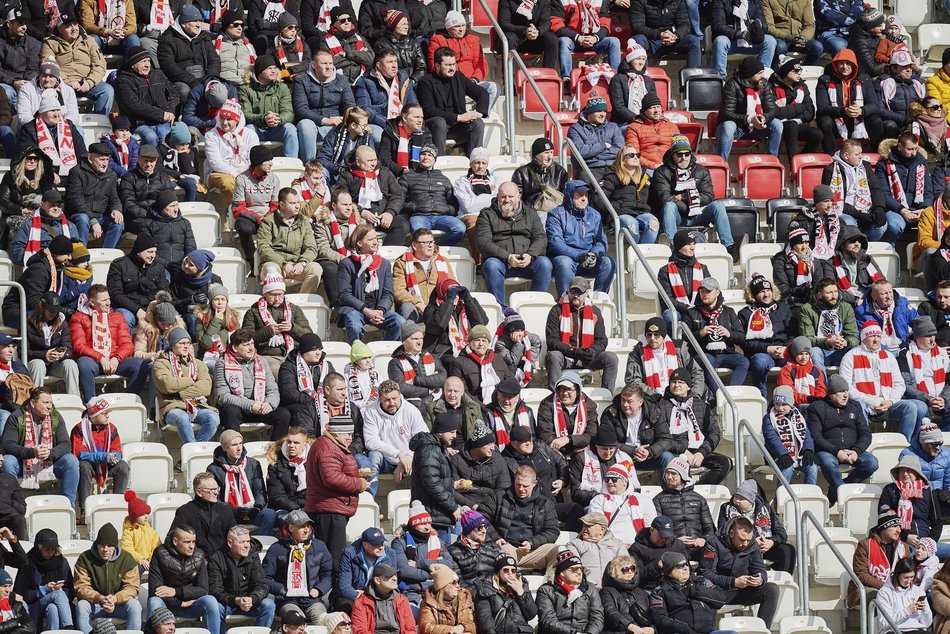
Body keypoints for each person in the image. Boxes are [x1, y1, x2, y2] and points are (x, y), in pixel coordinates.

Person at [69, 285, 151, 403]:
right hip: (94, 361)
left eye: (108, 299)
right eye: (103, 300)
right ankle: (92, 405)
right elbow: (79, 346)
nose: (108, 303)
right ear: (92, 302)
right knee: (83, 364)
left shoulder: (117, 316)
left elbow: (127, 344)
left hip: (114, 360)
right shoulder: (79, 317)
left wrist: (116, 358)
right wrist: (100, 357)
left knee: (141, 366)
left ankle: (126, 402)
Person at [305, 415, 369, 566]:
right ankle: (333, 588)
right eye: (347, 434)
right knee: (334, 558)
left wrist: (355, 474)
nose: (350, 438)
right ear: (337, 433)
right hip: (329, 511)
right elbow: (332, 478)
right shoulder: (328, 448)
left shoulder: (328, 445)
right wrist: (359, 484)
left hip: (329, 508)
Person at [475, 181, 552, 306]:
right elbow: (482, 242)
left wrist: (530, 255)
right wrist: (507, 257)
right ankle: (502, 309)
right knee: (491, 265)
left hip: (527, 262)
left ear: (518, 197)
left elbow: (541, 238)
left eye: (510, 196)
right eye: (503, 196)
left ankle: (533, 305)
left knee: (545, 264)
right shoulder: (487, 214)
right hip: (501, 262)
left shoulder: (531, 213)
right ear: (497, 197)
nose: (506, 200)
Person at [806, 373, 879, 505]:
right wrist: (836, 451)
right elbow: (815, 436)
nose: (846, 395)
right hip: (827, 451)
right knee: (828, 462)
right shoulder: (816, 407)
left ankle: (837, 490)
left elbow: (866, 433)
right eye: (841, 391)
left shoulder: (855, 406)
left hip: (852, 450)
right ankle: (845, 498)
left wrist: (857, 451)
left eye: (846, 391)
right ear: (831, 394)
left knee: (872, 462)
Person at [651, 136, 734, 250]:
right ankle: (672, 247)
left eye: (687, 154)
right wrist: (689, 206)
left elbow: (708, 196)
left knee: (718, 205)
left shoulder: (701, 171)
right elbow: (665, 198)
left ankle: (729, 246)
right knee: (669, 206)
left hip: (698, 214)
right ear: (672, 155)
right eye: (679, 154)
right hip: (677, 216)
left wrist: (684, 197)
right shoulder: (661, 172)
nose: (683, 158)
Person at [1, 386, 78, 506]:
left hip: (50, 461)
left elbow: (66, 445)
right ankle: (12, 505)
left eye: (51, 403)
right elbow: (7, 445)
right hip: (23, 462)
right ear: (32, 403)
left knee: (72, 461)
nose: (49, 406)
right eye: (45, 402)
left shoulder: (55, 417)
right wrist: (32, 452)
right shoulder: (17, 417)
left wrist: (50, 453)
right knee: (8, 461)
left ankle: (68, 506)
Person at [700, 516, 780, 628]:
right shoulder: (713, 543)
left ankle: (762, 630)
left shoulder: (752, 545)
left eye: (748, 539)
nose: (746, 543)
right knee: (707, 594)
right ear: (731, 533)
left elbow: (759, 568)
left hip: (741, 591)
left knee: (772, 589)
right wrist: (733, 582)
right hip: (718, 591)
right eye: (742, 539)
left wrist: (759, 579)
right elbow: (707, 573)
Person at [544, 277, 617, 390]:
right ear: (568, 291)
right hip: (566, 357)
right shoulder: (556, 310)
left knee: (611, 358)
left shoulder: (595, 311)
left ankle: (607, 395)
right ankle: (554, 397)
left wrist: (592, 351)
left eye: (579, 292)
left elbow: (601, 340)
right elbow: (552, 341)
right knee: (553, 356)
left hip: (587, 357)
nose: (576, 295)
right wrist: (574, 351)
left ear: (586, 292)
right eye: (573, 291)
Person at [335, 225, 405, 342]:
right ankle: (358, 357)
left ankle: (386, 354)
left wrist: (380, 311)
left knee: (400, 322)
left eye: (376, 239)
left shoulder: (384, 264)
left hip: (377, 310)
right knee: (355, 326)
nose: (375, 242)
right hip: (354, 309)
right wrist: (367, 311)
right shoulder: (347, 264)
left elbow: (388, 294)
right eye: (370, 239)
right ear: (359, 243)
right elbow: (344, 294)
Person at [546, 181, 616, 297]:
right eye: (579, 195)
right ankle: (566, 302)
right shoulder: (556, 214)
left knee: (608, 262)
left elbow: (601, 241)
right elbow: (556, 244)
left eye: (586, 195)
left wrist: (594, 254)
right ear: (569, 195)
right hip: (567, 259)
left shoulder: (595, 215)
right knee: (564, 262)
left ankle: (597, 302)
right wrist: (579, 256)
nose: (583, 199)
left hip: (588, 260)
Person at [261, 509, 332, 621]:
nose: (306, 530)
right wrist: (282, 590)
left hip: (313, 600)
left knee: (320, 619)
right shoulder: (276, 548)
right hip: (287, 600)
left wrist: (319, 589)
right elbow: (264, 578)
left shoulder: (320, 546)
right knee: (296, 621)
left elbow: (328, 574)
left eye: (308, 526)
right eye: (302, 526)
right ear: (291, 528)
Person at [416, 47, 488, 155]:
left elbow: (482, 93)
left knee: (477, 123)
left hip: (457, 127)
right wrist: (458, 117)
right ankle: (438, 162)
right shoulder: (426, 82)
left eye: (454, 64)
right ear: (437, 66)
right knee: (439, 122)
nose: (452, 68)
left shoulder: (458, 77)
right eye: (448, 65)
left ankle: (476, 161)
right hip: (434, 127)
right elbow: (429, 110)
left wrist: (479, 113)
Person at [147, 525, 217, 634]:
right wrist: (179, 603)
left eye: (193, 541)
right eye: (187, 542)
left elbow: (203, 590)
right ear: (175, 541)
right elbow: (154, 590)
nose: (191, 546)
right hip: (167, 606)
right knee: (154, 601)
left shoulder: (199, 555)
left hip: (191, 604)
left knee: (210, 600)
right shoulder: (160, 553)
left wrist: (176, 591)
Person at [207, 429, 278, 536]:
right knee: (215, 517)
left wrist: (257, 507)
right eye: (234, 445)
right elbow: (214, 499)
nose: (239, 448)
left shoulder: (253, 464)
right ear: (225, 447)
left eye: (240, 443)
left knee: (270, 514)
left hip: (252, 511)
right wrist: (234, 510)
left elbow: (260, 491)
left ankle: (260, 544)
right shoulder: (213, 469)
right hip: (229, 513)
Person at [39, 13, 112, 117]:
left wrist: (89, 82)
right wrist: (67, 81)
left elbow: (100, 65)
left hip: (86, 83)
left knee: (107, 90)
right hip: (61, 85)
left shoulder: (89, 41)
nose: (73, 28)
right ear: (60, 29)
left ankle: (100, 122)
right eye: (68, 26)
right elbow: (47, 65)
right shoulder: (50, 43)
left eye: (75, 24)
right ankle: (61, 125)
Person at [718, 479, 796, 574]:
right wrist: (751, 542)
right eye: (735, 497)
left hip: (763, 547)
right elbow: (723, 533)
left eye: (741, 498)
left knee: (788, 550)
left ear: (751, 500)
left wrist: (771, 542)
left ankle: (783, 581)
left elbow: (781, 532)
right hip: (740, 548)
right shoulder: (726, 509)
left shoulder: (765, 508)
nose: (737, 500)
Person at [73, 525, 142, 633]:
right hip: (95, 605)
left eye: (110, 546)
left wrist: (115, 599)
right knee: (82, 606)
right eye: (102, 545)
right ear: (97, 545)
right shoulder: (85, 558)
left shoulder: (127, 559)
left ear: (115, 546)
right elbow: (81, 586)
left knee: (135, 605)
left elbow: (132, 587)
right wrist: (99, 598)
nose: (105, 549)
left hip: (119, 605)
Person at [338, 145, 411, 246]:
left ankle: (385, 255)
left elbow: (398, 195)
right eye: (369, 161)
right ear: (358, 161)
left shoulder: (385, 172)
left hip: (383, 215)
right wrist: (360, 211)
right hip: (361, 217)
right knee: (358, 227)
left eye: (375, 160)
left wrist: (390, 212)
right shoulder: (347, 176)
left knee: (402, 224)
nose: (373, 164)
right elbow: (340, 198)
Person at [70, 396, 129, 518]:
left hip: (107, 464)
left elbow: (117, 449)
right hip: (89, 464)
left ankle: (119, 504)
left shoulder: (111, 428)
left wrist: (114, 456)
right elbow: (80, 453)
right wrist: (104, 457)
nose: (108, 416)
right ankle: (85, 509)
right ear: (93, 414)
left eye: (108, 413)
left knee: (123, 466)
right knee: (83, 467)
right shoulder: (79, 429)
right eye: (104, 413)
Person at [817, 49, 884, 154]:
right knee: (825, 121)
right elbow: (822, 107)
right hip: (837, 116)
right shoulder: (825, 80)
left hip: (858, 116)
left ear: (854, 65)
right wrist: (843, 111)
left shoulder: (864, 79)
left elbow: (874, 105)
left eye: (848, 63)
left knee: (876, 120)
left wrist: (861, 111)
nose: (844, 66)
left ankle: (876, 153)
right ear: (835, 65)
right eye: (841, 63)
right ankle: (831, 156)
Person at [208, 526, 275, 631]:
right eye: (242, 542)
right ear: (230, 543)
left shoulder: (253, 556)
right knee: (215, 607)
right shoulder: (216, 558)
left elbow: (262, 585)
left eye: (248, 541)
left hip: (249, 603)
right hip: (227, 603)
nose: (247, 546)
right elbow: (215, 590)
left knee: (268, 605)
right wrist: (235, 600)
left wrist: (252, 598)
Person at [391, 502, 458, 607]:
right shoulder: (400, 542)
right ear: (413, 525)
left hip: (437, 590)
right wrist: (436, 571)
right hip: (412, 592)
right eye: (423, 524)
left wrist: (419, 564)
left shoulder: (436, 541)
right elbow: (403, 570)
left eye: (429, 523)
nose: (427, 527)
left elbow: (449, 563)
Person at [685, 277, 749, 386]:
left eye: (708, 291)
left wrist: (729, 334)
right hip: (704, 353)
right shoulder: (691, 312)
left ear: (717, 292)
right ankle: (719, 394)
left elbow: (742, 338)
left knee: (743, 362)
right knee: (707, 362)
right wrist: (700, 333)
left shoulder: (728, 311)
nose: (705, 294)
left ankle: (731, 392)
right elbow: (683, 337)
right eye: (702, 291)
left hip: (726, 353)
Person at [649, 551, 732, 634]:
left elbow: (721, 600)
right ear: (669, 571)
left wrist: (695, 591)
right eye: (679, 566)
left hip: (708, 631)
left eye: (686, 564)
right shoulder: (660, 591)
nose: (685, 568)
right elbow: (659, 618)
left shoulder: (702, 582)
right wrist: (682, 628)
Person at [739, 273, 795, 395]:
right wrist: (767, 348)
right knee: (760, 362)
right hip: (762, 353)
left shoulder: (783, 308)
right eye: (761, 292)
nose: (766, 295)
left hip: (783, 351)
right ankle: (761, 394)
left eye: (768, 290)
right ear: (753, 294)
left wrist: (786, 348)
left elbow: (792, 334)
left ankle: (790, 395)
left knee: (798, 360)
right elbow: (745, 343)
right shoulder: (745, 313)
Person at [398, 144, 465, 246]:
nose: (426, 157)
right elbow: (399, 199)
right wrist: (412, 207)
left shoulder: (443, 178)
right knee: (419, 232)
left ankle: (437, 250)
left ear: (435, 159)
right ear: (419, 157)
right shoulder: (408, 177)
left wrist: (448, 209)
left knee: (460, 228)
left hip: (442, 216)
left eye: (430, 155)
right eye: (423, 154)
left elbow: (453, 201)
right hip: (419, 216)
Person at [293, 49, 356, 158]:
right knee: (305, 125)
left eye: (330, 63)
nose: (328, 67)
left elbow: (349, 105)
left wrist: (344, 119)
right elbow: (301, 109)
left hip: (336, 124)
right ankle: (309, 165)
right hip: (314, 125)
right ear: (314, 65)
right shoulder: (301, 81)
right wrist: (325, 120)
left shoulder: (342, 80)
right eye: (324, 63)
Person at [717, 57, 782, 160]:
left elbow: (772, 109)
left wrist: (763, 118)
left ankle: (772, 161)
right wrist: (750, 119)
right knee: (728, 126)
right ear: (750, 74)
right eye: (760, 73)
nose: (763, 76)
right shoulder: (732, 85)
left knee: (777, 124)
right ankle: (721, 163)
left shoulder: (764, 84)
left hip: (758, 128)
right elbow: (726, 113)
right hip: (738, 128)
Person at [428, 11, 496, 107]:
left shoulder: (474, 40)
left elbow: (481, 64)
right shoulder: (437, 40)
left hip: (471, 82)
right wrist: (454, 81)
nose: (461, 29)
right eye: (457, 26)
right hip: (449, 83)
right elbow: (435, 66)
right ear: (448, 27)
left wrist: (474, 80)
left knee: (493, 88)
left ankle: (481, 115)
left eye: (463, 25)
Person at [114, 47, 179, 147]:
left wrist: (169, 111)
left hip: (161, 121)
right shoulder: (123, 80)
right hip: (138, 123)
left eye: (148, 60)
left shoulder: (158, 74)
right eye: (143, 61)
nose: (147, 65)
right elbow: (134, 105)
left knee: (166, 137)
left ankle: (164, 162)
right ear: (133, 64)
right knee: (150, 137)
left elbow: (173, 93)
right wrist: (161, 114)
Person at [848, 507, 913, 607]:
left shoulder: (904, 547)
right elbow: (861, 574)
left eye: (899, 527)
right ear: (884, 527)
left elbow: (909, 570)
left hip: (898, 588)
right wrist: (886, 587)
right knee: (876, 595)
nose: (899, 530)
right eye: (895, 526)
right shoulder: (865, 545)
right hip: (872, 589)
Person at [238, 56, 299, 161]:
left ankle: (291, 163)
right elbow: (245, 114)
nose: (274, 71)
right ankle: (250, 163)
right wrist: (264, 118)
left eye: (275, 68)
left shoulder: (282, 88)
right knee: (249, 129)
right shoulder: (245, 89)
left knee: (290, 128)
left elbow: (288, 112)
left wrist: (278, 119)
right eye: (269, 68)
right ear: (260, 71)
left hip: (276, 129)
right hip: (257, 130)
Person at [652, 457, 717, 555]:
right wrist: (675, 540)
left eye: (673, 474)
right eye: (667, 473)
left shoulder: (699, 499)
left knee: (712, 556)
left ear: (683, 476)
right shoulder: (658, 500)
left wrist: (703, 539)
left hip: (699, 546)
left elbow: (710, 528)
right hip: (673, 547)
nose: (669, 477)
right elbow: (657, 529)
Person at [105, 234, 169, 331]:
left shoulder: (158, 267)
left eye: (155, 252)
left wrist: (152, 307)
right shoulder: (119, 265)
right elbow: (115, 294)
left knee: (170, 316)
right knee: (125, 318)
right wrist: (137, 310)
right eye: (149, 252)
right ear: (138, 251)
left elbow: (164, 291)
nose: (153, 256)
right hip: (127, 307)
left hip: (152, 306)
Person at [156, 5, 219, 104]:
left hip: (204, 78)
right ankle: (185, 117)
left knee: (223, 89)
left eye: (200, 21)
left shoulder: (205, 37)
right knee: (184, 91)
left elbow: (215, 60)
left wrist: (208, 79)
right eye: (195, 21)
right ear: (183, 23)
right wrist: (192, 81)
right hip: (181, 80)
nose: (199, 25)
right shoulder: (167, 39)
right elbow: (169, 67)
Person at [392, 228, 457, 322]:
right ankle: (412, 335)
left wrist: (454, 296)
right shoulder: (402, 263)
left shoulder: (442, 261)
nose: (430, 246)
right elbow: (398, 291)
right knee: (407, 307)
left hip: (439, 307)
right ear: (414, 245)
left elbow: (452, 284)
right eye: (425, 243)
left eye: (431, 242)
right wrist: (418, 304)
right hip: (417, 308)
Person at [64, 142, 121, 246]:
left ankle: (106, 255)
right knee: (83, 219)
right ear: (90, 158)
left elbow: (114, 197)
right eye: (101, 159)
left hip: (101, 216)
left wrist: (116, 209)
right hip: (78, 215)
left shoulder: (111, 175)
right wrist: (93, 220)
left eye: (107, 159)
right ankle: (81, 256)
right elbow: (76, 200)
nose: (105, 163)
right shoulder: (76, 172)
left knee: (118, 223)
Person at [536, 548, 605, 634]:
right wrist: (573, 633)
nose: (579, 572)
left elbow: (597, 616)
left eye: (581, 569)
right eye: (574, 569)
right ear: (562, 572)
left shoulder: (590, 588)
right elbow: (548, 620)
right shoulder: (546, 590)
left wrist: (590, 633)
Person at [898, 316, 950, 430]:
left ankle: (944, 437)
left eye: (933, 335)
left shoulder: (942, 353)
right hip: (919, 398)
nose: (932, 339)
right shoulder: (904, 355)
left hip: (941, 399)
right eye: (927, 336)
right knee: (920, 409)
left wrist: (943, 398)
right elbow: (905, 384)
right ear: (917, 337)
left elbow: (949, 381)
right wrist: (928, 399)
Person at [205, 99, 259, 209]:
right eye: (222, 118)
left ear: (237, 120)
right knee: (228, 182)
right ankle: (237, 211)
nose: (224, 123)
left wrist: (244, 173)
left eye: (229, 119)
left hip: (245, 171)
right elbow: (215, 162)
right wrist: (235, 173)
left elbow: (254, 158)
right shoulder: (211, 135)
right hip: (218, 173)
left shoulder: (250, 134)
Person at [15, 528, 70, 631]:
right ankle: (70, 628)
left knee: (53, 608)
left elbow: (69, 588)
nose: (50, 553)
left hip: (56, 603)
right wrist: (43, 590)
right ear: (39, 548)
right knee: (58, 595)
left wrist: (61, 590)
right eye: (46, 549)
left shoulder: (61, 562)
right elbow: (21, 593)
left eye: (53, 549)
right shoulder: (28, 562)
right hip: (33, 602)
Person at [25, 291, 79, 395]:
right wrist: (44, 355)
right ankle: (35, 402)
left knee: (71, 364)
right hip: (35, 364)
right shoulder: (28, 323)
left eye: (56, 310)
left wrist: (63, 354)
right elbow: (22, 352)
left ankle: (75, 400)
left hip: (55, 365)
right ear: (42, 307)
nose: (53, 313)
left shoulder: (62, 323)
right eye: (50, 309)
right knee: (38, 364)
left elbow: (68, 349)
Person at [171, 472, 237, 556]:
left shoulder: (225, 510)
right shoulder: (185, 511)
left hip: (222, 562)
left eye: (217, 489)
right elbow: (172, 539)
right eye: (211, 490)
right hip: (196, 562)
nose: (216, 493)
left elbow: (236, 535)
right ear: (199, 492)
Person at [764, 385, 819, 484]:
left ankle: (810, 495)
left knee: (812, 468)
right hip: (777, 456)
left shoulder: (799, 416)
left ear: (791, 404)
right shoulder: (768, 418)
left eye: (784, 404)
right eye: (777, 404)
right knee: (787, 467)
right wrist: (783, 454)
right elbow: (771, 438)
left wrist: (808, 450)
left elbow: (806, 435)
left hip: (799, 455)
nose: (780, 408)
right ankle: (781, 496)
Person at [335, 528, 398, 611]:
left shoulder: (390, 554)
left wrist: (371, 597)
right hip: (353, 595)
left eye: (382, 543)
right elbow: (343, 587)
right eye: (376, 544)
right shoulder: (349, 553)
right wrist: (360, 596)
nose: (381, 547)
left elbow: (392, 583)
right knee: (346, 605)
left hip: (378, 595)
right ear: (364, 545)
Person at [387, 322, 447, 410]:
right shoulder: (395, 363)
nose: (419, 342)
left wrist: (416, 380)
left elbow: (442, 379)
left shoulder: (433, 357)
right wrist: (427, 391)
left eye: (421, 338)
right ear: (404, 341)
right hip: (413, 406)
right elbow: (401, 387)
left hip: (437, 401)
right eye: (415, 339)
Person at [473, 553, 537, 634]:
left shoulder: (522, 585)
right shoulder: (485, 588)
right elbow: (486, 622)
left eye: (513, 570)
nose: (510, 573)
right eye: (506, 570)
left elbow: (531, 614)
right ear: (498, 572)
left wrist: (521, 593)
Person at [568, 96, 624, 182]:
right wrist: (603, 145)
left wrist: (592, 156)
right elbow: (580, 152)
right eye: (599, 111)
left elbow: (620, 150)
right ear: (589, 113)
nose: (603, 114)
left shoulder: (613, 127)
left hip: (613, 167)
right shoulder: (576, 129)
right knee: (583, 186)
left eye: (604, 111)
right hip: (590, 169)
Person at [631, 0, 700, 66]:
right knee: (638, 39)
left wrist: (676, 36)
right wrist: (659, 34)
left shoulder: (678, 1)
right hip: (649, 39)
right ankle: (641, 75)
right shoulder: (639, 1)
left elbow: (684, 24)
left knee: (693, 40)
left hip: (670, 40)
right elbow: (638, 27)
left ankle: (694, 76)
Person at [349, 563, 416, 631]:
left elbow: (410, 629)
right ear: (377, 580)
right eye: (388, 576)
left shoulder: (402, 600)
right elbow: (360, 630)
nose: (394, 579)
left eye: (394, 575)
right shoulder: (362, 602)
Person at [448, 509, 503, 591]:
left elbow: (506, 571)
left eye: (485, 527)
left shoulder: (493, 547)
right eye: (480, 527)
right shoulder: (454, 551)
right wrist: (479, 595)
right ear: (468, 529)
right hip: (471, 596)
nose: (484, 531)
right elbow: (458, 581)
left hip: (494, 592)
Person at [316, 106, 374, 184]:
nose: (366, 128)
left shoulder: (366, 137)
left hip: (356, 175)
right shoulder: (335, 134)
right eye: (364, 125)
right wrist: (337, 169)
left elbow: (372, 159)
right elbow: (322, 159)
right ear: (353, 125)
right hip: (336, 173)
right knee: (323, 171)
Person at [511, 138, 570, 213]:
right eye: (546, 153)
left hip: (556, 212)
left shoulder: (560, 171)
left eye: (551, 152)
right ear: (536, 155)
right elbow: (517, 198)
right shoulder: (521, 173)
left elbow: (568, 194)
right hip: (531, 213)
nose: (550, 157)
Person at [622, 93, 678, 172]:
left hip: (670, 167)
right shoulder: (634, 128)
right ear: (645, 111)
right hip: (646, 169)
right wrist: (653, 166)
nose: (656, 111)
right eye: (652, 108)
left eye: (658, 107)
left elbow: (680, 149)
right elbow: (633, 154)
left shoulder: (671, 126)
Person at [858, 280, 919, 350]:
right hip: (878, 350)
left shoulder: (902, 304)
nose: (889, 296)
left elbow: (918, 323)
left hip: (903, 347)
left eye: (890, 292)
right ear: (874, 296)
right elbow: (863, 336)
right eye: (884, 294)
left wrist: (912, 340)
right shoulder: (862, 312)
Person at [876, 557, 933, 633]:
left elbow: (927, 623)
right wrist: (907, 611)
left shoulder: (918, 591)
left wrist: (925, 610)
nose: (909, 581)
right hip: (894, 630)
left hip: (917, 630)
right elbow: (884, 623)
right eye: (906, 577)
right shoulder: (884, 592)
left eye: (912, 577)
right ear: (897, 575)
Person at [373, 11, 427, 89]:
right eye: (403, 24)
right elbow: (382, 69)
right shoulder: (381, 44)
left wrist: (412, 81)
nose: (406, 27)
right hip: (392, 86)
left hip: (414, 85)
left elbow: (422, 68)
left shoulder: (414, 43)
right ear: (393, 25)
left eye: (407, 24)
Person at [0, 6, 40, 109]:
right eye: (20, 23)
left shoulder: (30, 41)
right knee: (8, 93)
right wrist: (13, 82)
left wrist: (27, 82)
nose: (24, 27)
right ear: (9, 24)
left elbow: (33, 67)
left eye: (25, 23)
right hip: (6, 82)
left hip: (26, 82)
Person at [417, 564, 474, 634]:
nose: (458, 585)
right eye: (453, 583)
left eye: (458, 582)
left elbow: (474, 624)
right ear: (442, 586)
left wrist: (463, 627)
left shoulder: (464, 598)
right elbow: (426, 627)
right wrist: (453, 630)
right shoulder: (428, 602)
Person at [120, 490, 160, 572]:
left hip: (151, 561)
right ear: (134, 516)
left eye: (147, 514)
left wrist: (152, 559)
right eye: (142, 514)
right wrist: (141, 560)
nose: (146, 517)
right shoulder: (128, 532)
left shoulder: (151, 530)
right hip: (136, 563)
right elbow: (127, 549)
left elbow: (157, 546)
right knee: (136, 570)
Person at [848, 5, 889, 79]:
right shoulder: (860, 41)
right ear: (870, 26)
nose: (882, 28)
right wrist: (892, 66)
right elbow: (873, 69)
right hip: (865, 77)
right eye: (879, 26)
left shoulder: (874, 34)